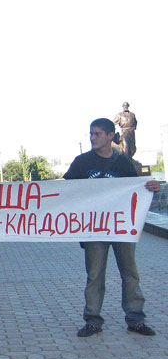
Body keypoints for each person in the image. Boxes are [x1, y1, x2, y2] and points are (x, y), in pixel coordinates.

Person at [64, 118, 161, 338]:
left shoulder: (123, 163)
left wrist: (150, 187)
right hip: (94, 229)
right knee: (95, 276)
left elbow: (136, 189)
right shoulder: (81, 162)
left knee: (130, 273)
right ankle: (92, 321)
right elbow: (66, 190)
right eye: (91, 134)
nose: (92, 138)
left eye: (97, 134)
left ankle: (135, 319)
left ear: (110, 136)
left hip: (121, 228)